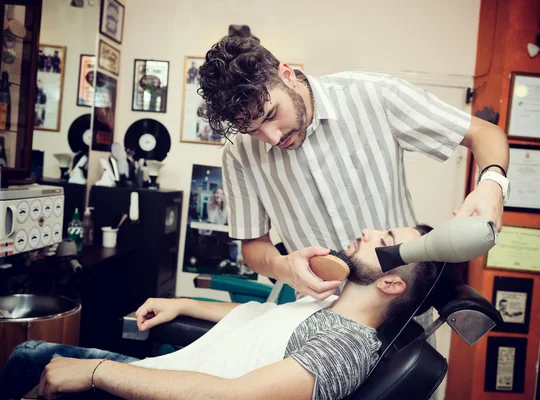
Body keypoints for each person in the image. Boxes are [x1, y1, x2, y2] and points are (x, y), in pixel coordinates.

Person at [197, 35, 510, 309]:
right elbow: (254, 247)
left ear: (287, 74)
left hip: (400, 305)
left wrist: (492, 183)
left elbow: (485, 135)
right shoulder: (238, 154)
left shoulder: (373, 95)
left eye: (272, 115)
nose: (273, 137)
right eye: (253, 130)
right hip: (319, 315)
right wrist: (282, 267)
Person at [0, 225, 450, 400]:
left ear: (392, 283)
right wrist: (183, 303)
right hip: (165, 371)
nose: (369, 230)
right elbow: (259, 318)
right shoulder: (329, 298)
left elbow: (231, 397)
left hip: (168, 393)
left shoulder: (344, 346)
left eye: (385, 236)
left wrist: (96, 371)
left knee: (30, 356)